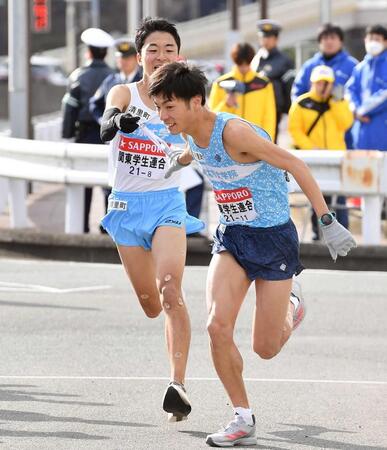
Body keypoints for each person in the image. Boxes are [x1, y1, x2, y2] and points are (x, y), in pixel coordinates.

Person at [148, 62, 356, 447]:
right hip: (232, 236)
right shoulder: (189, 131)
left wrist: (327, 219)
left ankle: (292, 307)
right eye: (159, 106)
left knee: (266, 347)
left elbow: (294, 163)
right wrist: (176, 162)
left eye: (169, 107)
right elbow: (194, 150)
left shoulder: (235, 132)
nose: (163, 116)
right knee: (216, 326)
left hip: (273, 238)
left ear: (196, 102)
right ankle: (242, 416)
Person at [99, 18, 204, 422]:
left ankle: (177, 385)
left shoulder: (189, 99)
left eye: (169, 49)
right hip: (126, 208)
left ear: (179, 55)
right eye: (153, 49)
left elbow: (210, 136)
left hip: (167, 205)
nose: (161, 56)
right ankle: (169, 348)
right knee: (150, 305)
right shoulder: (125, 91)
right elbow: (108, 122)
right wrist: (117, 123)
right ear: (139, 55)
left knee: (170, 289)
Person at [288, 65, 354, 240]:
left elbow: (346, 123)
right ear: (312, 83)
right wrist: (310, 148)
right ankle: (319, 234)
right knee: (316, 197)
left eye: (327, 83)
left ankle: (343, 233)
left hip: (337, 158)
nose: (323, 86)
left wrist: (336, 103)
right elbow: (295, 130)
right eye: (319, 83)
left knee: (339, 199)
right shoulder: (301, 103)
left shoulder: (339, 103)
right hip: (314, 159)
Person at [62, 27, 115, 233]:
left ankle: (82, 225)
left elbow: (70, 108)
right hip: (109, 135)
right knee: (110, 183)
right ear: (106, 53)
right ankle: (107, 228)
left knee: (83, 184)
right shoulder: (114, 77)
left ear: (88, 52)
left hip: (84, 135)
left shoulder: (78, 76)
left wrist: (67, 137)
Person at [89, 38, 143, 221]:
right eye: (120, 58)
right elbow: (94, 105)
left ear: (136, 59)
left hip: (138, 142)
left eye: (127, 58)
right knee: (110, 185)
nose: (123, 62)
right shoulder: (110, 81)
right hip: (114, 141)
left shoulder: (144, 81)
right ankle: (109, 222)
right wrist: (106, 122)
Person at [291, 23, 358, 148]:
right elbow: (297, 93)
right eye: (325, 38)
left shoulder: (352, 66)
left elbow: (357, 94)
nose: (329, 42)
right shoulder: (310, 66)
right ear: (319, 42)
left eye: (333, 38)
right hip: (312, 133)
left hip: (343, 131)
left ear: (341, 41)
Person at [209, 42, 276, 141]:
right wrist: (226, 104)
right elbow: (211, 118)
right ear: (234, 61)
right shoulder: (220, 84)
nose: (244, 67)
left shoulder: (264, 84)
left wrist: (267, 141)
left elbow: (269, 117)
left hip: (257, 142)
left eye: (247, 63)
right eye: (240, 64)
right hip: (228, 143)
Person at [251, 20, 295, 142]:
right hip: (253, 109)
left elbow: (289, 88)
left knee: (269, 143)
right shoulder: (255, 60)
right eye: (263, 36)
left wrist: (287, 111)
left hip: (274, 110)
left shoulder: (284, 61)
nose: (265, 40)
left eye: (269, 37)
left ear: (276, 39)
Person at [345, 24, 387, 152]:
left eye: (377, 39)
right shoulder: (360, 68)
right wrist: (355, 110)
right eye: (371, 39)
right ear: (365, 41)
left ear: (385, 42)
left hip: (382, 129)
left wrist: (361, 111)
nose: (373, 43)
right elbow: (349, 90)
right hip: (360, 131)